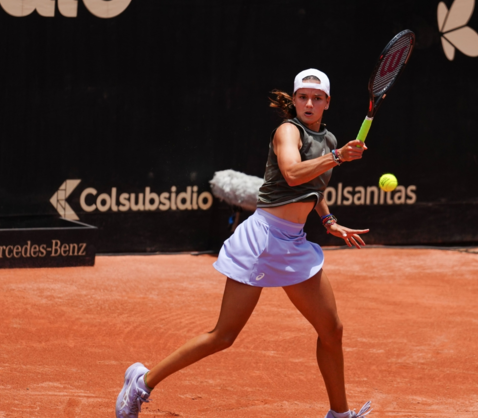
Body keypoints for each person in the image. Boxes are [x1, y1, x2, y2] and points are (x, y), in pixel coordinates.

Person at [115, 68, 373, 418]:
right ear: (294, 100)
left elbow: (314, 185)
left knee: (332, 330)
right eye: (302, 97)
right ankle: (143, 381)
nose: (309, 103)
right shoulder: (287, 131)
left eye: (317, 98)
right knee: (224, 335)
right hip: (262, 239)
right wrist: (339, 157)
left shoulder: (328, 140)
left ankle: (340, 414)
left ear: (328, 102)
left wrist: (328, 221)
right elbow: (293, 172)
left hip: (293, 244)